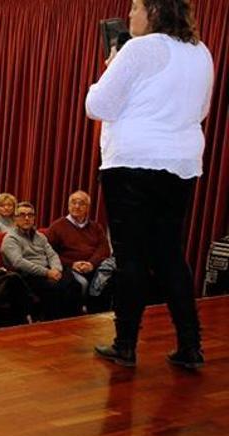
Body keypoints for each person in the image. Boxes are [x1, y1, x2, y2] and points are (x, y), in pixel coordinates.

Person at [86, 0, 212, 368]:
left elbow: (98, 105)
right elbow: (201, 110)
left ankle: (125, 343)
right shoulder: (200, 51)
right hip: (182, 163)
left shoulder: (138, 49)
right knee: (171, 254)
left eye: (136, 7)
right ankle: (191, 346)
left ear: (155, 12)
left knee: (131, 257)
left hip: (132, 162)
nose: (129, 15)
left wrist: (109, 68)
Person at [1, 202, 82, 321]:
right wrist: (46, 272)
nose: (27, 218)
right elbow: (18, 262)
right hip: (28, 275)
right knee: (55, 288)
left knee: (74, 284)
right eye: (22, 215)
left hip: (49, 271)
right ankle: (54, 323)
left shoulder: (40, 236)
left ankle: (71, 322)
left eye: (30, 215)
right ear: (15, 218)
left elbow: (52, 254)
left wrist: (56, 269)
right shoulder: (10, 239)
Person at [46, 191, 112, 301]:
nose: (77, 206)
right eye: (73, 202)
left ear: (87, 207)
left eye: (82, 203)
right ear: (68, 205)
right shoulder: (56, 227)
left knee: (112, 280)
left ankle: (100, 315)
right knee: (80, 284)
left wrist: (91, 263)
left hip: (94, 267)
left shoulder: (95, 227)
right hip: (69, 268)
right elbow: (49, 253)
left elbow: (104, 248)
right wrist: (71, 264)